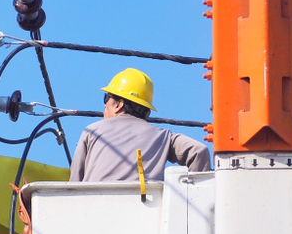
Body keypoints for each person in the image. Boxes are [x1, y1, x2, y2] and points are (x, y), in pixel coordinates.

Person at [70, 68, 211, 182]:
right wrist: (193, 196)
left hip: (93, 211)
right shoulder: (164, 136)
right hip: (147, 212)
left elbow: (74, 186)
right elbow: (199, 151)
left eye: (106, 98)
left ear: (119, 104)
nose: (104, 107)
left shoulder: (92, 131)